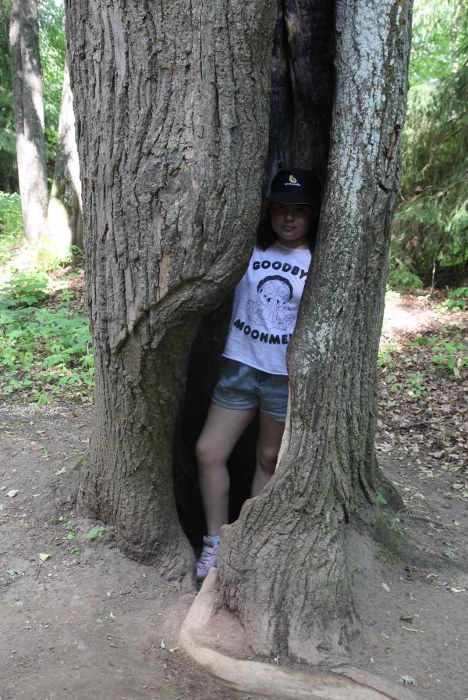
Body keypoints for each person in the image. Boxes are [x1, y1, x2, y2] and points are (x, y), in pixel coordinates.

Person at [195, 168, 321, 581]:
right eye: (281, 208)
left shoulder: (318, 262)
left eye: (299, 210)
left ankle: (249, 546)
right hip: (240, 366)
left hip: (283, 378)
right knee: (209, 451)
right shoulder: (247, 250)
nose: (289, 217)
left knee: (268, 458)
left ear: (312, 214)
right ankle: (215, 543)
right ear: (269, 210)